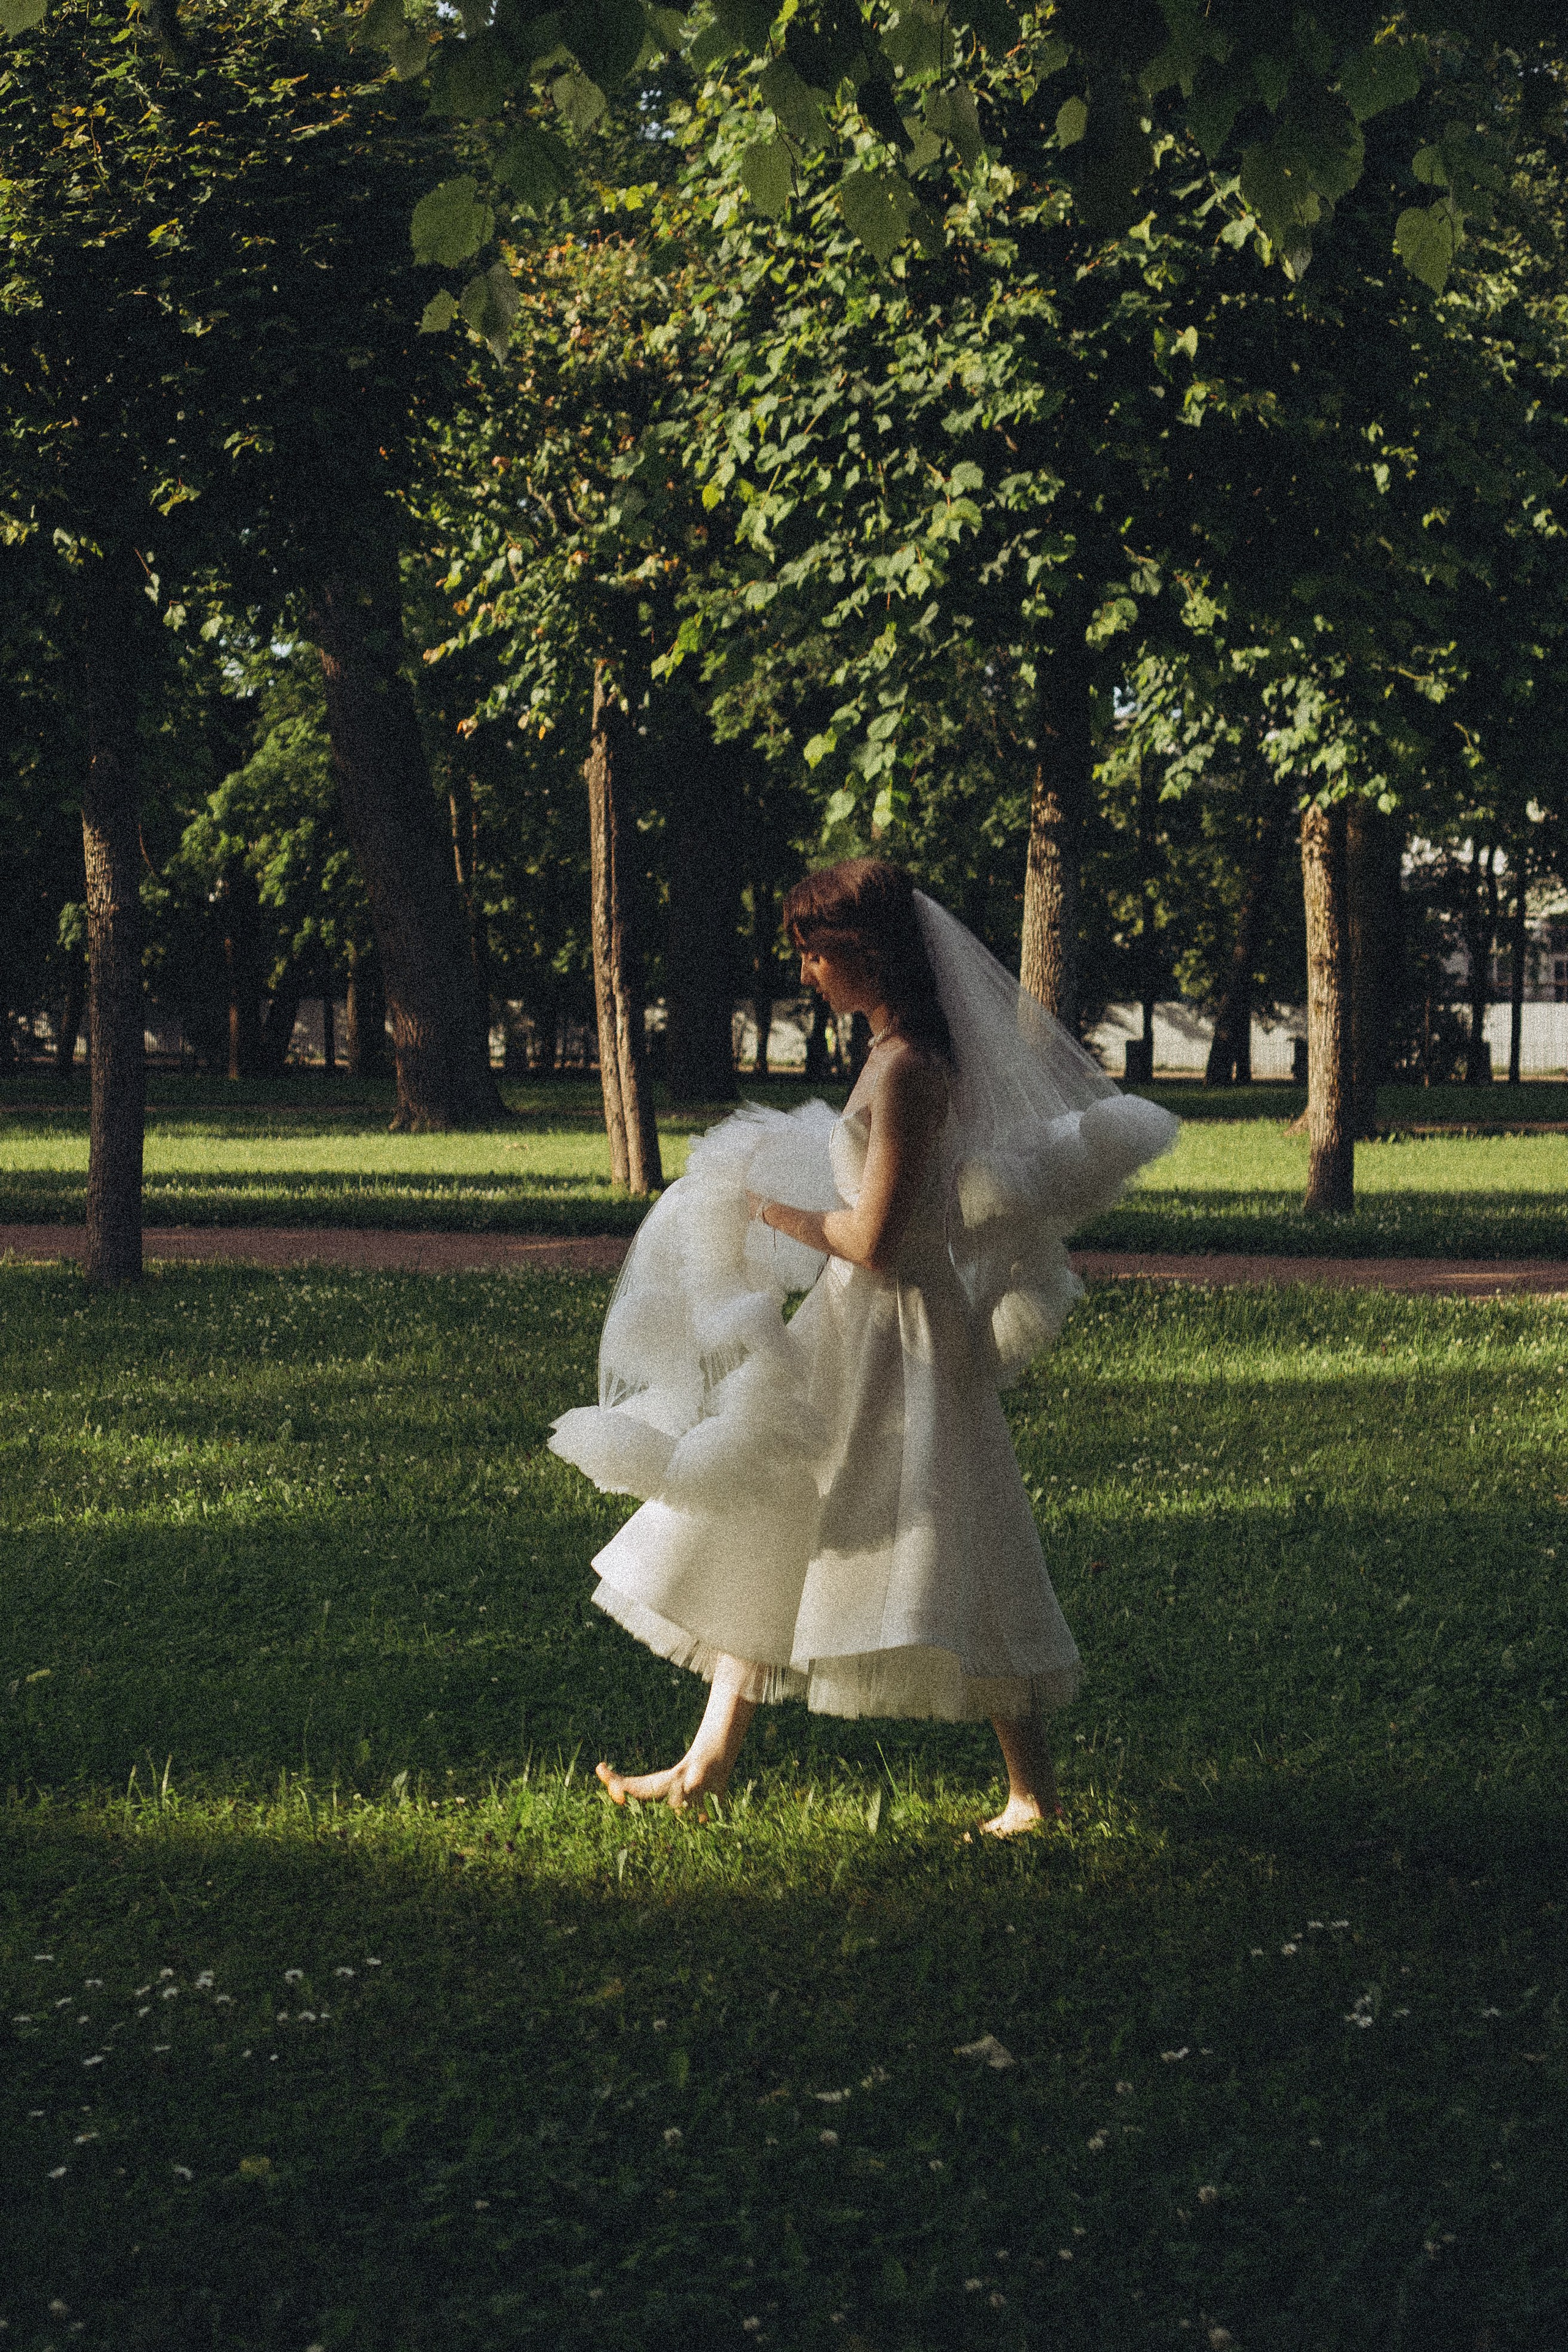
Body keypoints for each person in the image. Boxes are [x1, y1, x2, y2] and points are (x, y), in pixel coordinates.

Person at [548, 859, 1178, 1834]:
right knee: (773, 1513)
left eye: (814, 950)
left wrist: (764, 1210)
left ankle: (1032, 1795)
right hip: (861, 1322)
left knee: (958, 1531)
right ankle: (705, 1763)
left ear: (867, 952)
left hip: (900, 1331)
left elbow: (878, 1239)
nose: (804, 971)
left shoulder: (912, 1071)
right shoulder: (896, 1056)